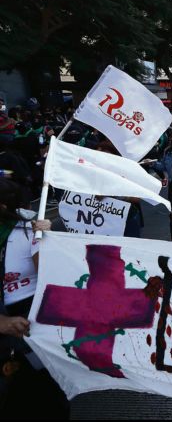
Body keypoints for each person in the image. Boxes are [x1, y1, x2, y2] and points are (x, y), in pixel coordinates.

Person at [0, 179, 68, 418]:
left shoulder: (28, 230)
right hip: (8, 326)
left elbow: (53, 277)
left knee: (44, 392)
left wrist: (48, 240)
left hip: (33, 322)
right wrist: (3, 323)